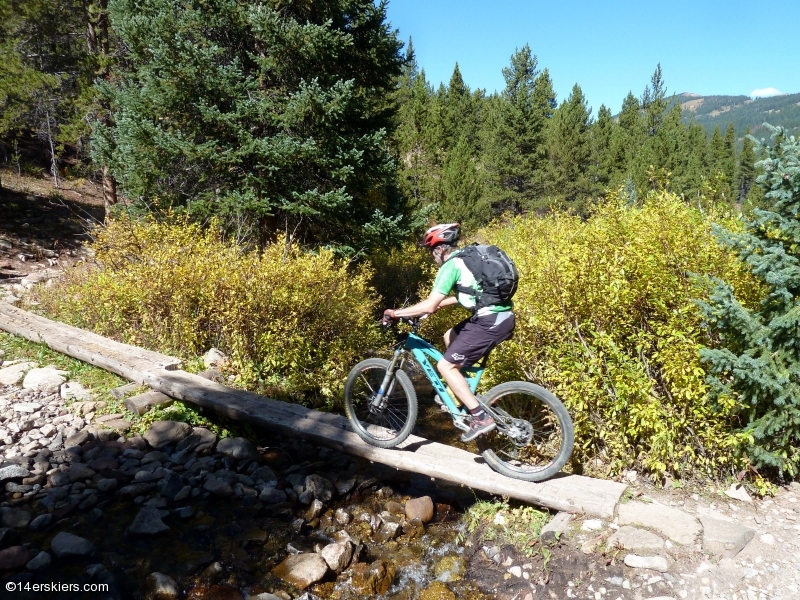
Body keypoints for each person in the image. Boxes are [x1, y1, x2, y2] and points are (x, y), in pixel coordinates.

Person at [383, 223, 516, 442]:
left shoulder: (451, 266)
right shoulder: (468, 259)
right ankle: (459, 391)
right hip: (501, 318)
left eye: (431, 251)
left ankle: (480, 417)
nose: (432, 257)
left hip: (489, 322)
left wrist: (396, 313)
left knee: (445, 365)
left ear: (439, 248)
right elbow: (471, 294)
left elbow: (429, 305)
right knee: (449, 336)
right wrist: (440, 306)